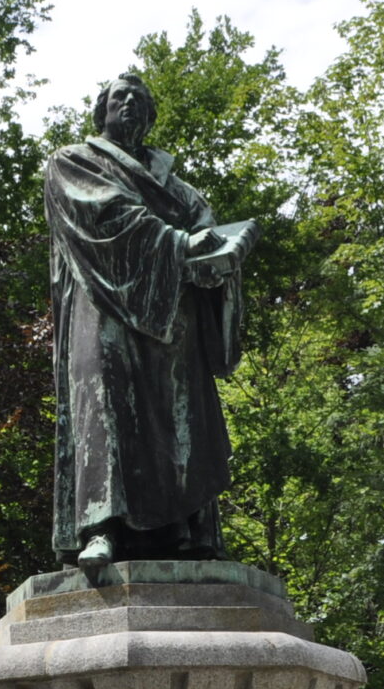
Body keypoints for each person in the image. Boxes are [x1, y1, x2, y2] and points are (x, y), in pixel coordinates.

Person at [44, 70, 254, 563]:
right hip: (102, 308)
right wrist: (180, 245)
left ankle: (186, 532)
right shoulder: (73, 163)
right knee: (107, 408)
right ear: (104, 110)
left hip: (172, 323)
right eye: (121, 97)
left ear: (152, 115)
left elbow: (210, 237)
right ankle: (102, 528)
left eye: (140, 99)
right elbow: (107, 218)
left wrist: (221, 266)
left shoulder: (179, 190)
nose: (131, 105)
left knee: (177, 419)